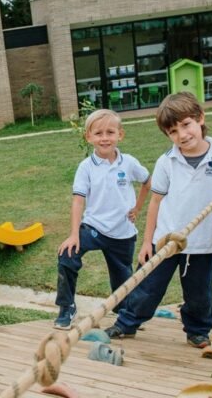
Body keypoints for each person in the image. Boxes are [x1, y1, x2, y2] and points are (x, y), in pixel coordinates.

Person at [105, 92, 212, 348]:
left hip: (203, 243)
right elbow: (155, 201)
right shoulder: (167, 161)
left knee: (199, 293)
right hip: (164, 240)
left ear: (200, 119)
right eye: (173, 131)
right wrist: (147, 242)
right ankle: (127, 323)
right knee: (148, 286)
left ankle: (197, 330)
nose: (182, 135)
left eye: (186, 125)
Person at [54, 109, 151, 330]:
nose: (104, 138)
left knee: (122, 280)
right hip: (93, 228)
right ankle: (66, 307)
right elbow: (78, 200)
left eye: (110, 132)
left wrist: (137, 208)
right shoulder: (86, 168)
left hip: (122, 233)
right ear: (89, 137)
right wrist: (74, 234)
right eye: (98, 133)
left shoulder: (129, 163)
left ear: (120, 135)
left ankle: (125, 313)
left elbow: (148, 182)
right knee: (67, 255)